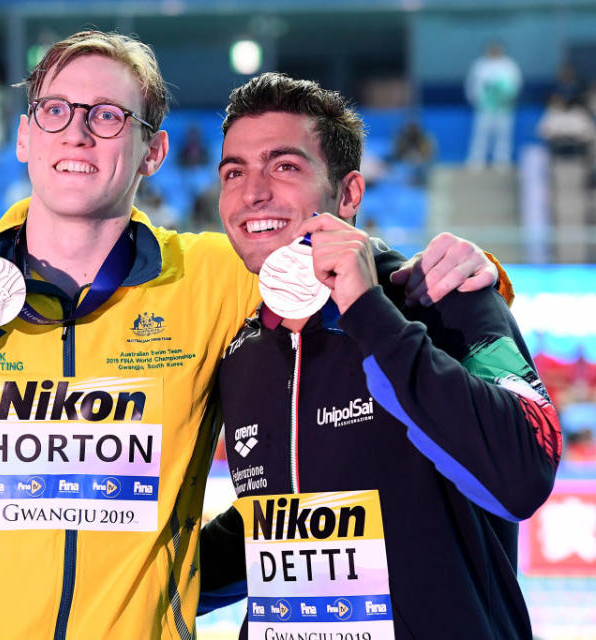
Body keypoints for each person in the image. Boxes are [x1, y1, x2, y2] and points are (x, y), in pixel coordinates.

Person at [0, 31, 501, 639]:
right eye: (54, 110)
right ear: (24, 137)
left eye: (109, 116)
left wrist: (475, 271)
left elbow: (339, 260)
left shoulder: (213, 277)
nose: (78, 132)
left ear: (151, 153)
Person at [197, 72, 561, 640]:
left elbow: (522, 474)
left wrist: (368, 311)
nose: (253, 192)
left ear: (348, 194)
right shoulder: (245, 351)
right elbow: (274, 523)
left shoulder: (447, 297)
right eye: (233, 172)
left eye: (284, 166)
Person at [465, 42, 522, 169]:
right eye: (492, 49)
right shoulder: (480, 65)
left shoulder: (509, 65)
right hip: (484, 107)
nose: (494, 51)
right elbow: (472, 85)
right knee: (481, 134)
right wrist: (476, 100)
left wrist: (509, 99)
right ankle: (476, 161)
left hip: (504, 107)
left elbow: (516, 84)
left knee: (503, 135)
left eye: (497, 49)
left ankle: (502, 161)